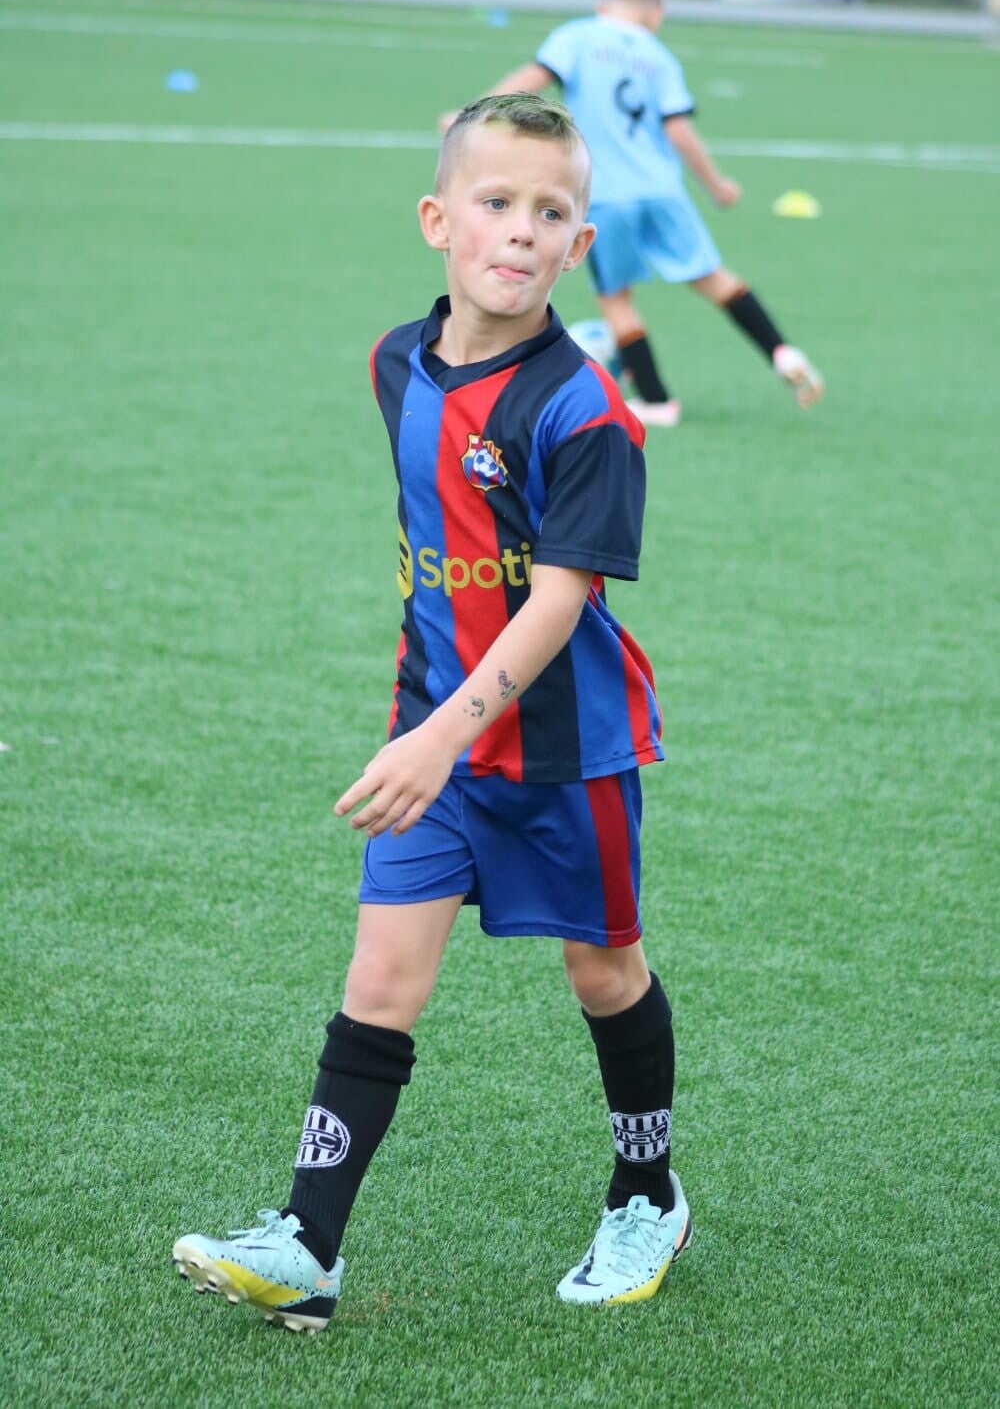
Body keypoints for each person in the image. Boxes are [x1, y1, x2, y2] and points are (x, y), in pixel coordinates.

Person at [171, 93, 691, 1333]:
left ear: (580, 244)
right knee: (380, 979)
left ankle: (647, 1194)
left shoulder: (587, 413)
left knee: (603, 970)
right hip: (437, 741)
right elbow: (444, 544)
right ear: (436, 220)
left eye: (550, 213)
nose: (520, 230)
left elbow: (559, 600)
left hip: (563, 750)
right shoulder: (393, 363)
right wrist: (427, 718)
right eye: (495, 202)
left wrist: (443, 729)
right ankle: (308, 1244)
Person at [442, 0, 823, 428]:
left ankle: (656, 399)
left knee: (616, 299)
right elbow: (679, 132)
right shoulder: (660, 58)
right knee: (713, 278)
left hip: (608, 197)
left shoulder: (577, 36)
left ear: (605, 3)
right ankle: (782, 352)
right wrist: (716, 185)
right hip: (663, 191)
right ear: (656, 13)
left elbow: (534, 79)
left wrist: (474, 115)